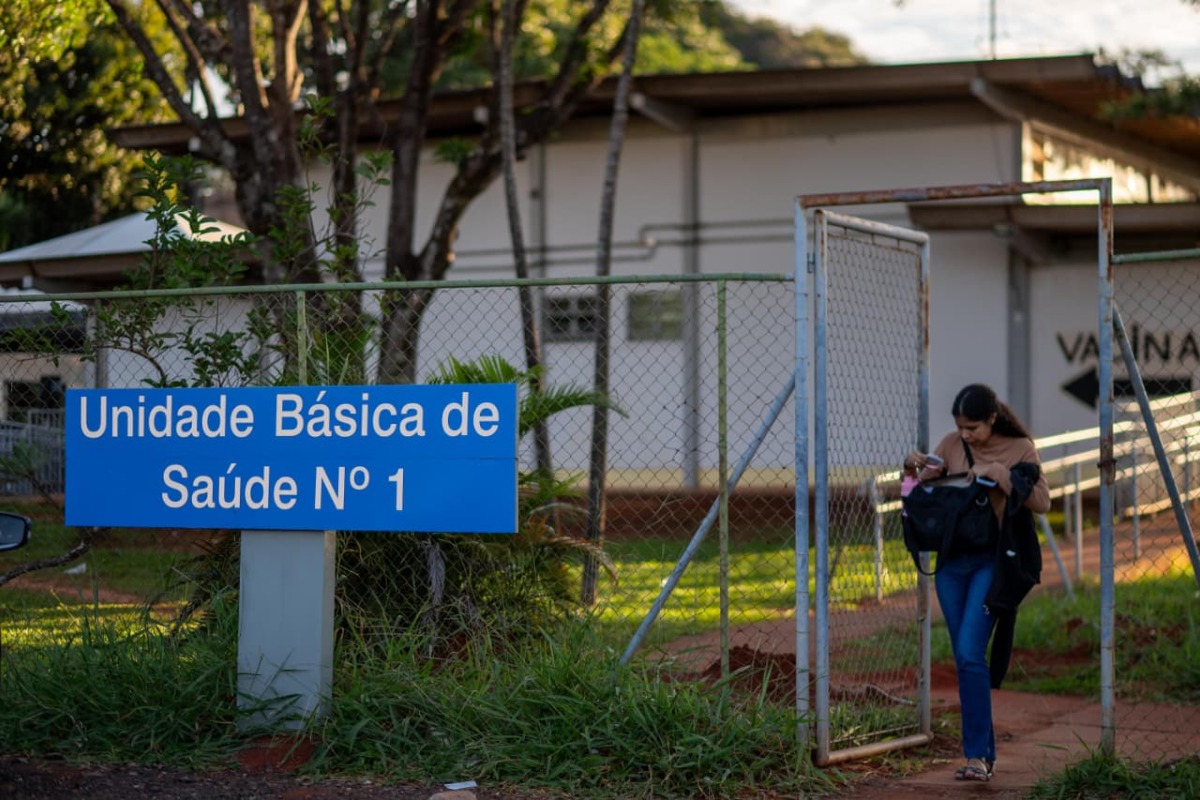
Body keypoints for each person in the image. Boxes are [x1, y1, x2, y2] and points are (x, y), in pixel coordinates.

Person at [903, 383, 1050, 783]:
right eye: (960, 427)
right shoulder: (951, 445)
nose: (965, 435)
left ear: (992, 419)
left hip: (992, 563)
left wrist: (1001, 474)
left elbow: (1042, 502)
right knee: (966, 658)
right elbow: (917, 497)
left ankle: (978, 757)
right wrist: (911, 471)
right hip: (951, 566)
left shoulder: (1020, 448)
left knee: (969, 652)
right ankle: (983, 754)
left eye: (972, 428)